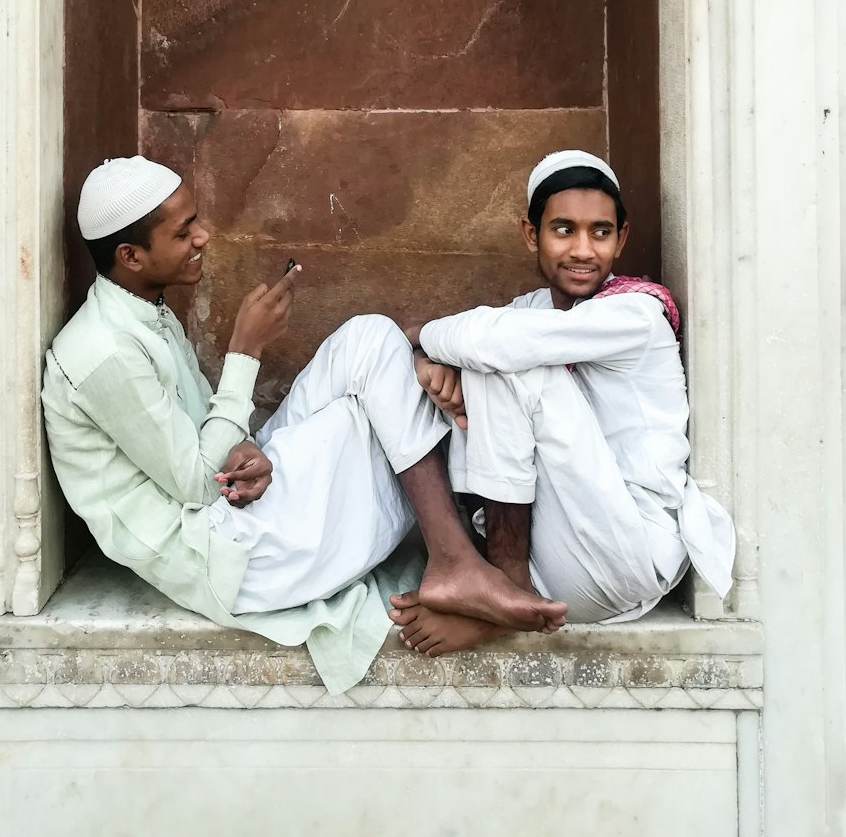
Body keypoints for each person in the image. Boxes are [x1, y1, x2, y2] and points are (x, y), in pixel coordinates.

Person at [42, 156, 567, 695]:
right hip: (224, 554)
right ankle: (460, 563)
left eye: (195, 219)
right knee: (363, 414)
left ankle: (454, 559)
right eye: (183, 232)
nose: (203, 235)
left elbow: (206, 441)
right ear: (130, 256)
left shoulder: (143, 307)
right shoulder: (102, 352)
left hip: (233, 503)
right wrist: (245, 350)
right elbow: (197, 485)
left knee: (370, 338)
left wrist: (250, 454)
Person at [389, 148, 736, 657]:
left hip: (628, 552)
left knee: (507, 362)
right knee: (490, 357)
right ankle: (492, 579)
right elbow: (489, 335)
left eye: (600, 232)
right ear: (532, 235)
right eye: (563, 230)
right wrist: (427, 357)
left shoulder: (635, 312)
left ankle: (505, 596)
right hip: (561, 553)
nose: (583, 249)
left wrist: (423, 336)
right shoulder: (532, 312)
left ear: (621, 238)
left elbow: (496, 343)